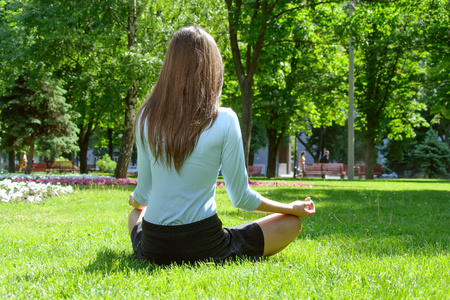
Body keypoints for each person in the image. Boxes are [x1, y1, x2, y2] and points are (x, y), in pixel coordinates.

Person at [127, 26, 315, 265]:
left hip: (155, 245)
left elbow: (143, 195)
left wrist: (135, 201)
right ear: (212, 68)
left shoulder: (146, 117)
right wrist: (291, 207)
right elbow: (242, 198)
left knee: (136, 215)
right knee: (291, 223)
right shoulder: (225, 119)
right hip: (205, 243)